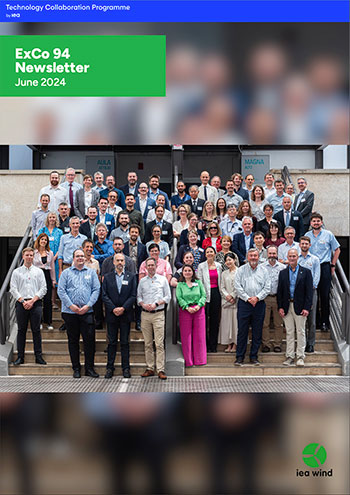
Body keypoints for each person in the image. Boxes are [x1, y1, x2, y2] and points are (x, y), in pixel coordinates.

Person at [57, 249, 100, 378]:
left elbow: (96, 289)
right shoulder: (66, 273)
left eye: (82, 256)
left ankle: (89, 369)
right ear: (73, 258)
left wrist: (88, 305)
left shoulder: (91, 273)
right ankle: (76, 368)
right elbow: (61, 291)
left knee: (89, 341)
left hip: (87, 312)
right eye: (78, 256)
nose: (80, 258)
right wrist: (71, 306)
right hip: (70, 312)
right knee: (73, 341)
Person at [10, 247, 47, 366]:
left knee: (36, 330)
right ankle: (21, 357)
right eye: (27, 255)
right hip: (21, 304)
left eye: (31, 255)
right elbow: (13, 288)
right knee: (21, 331)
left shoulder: (39, 272)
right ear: (23, 256)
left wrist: (32, 300)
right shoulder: (16, 272)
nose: (29, 257)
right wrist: (22, 301)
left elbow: (43, 288)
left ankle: (38, 356)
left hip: (35, 303)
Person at [102, 253, 137, 379]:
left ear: (125, 262)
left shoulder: (132, 277)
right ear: (114, 262)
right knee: (111, 343)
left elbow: (133, 295)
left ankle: (126, 368)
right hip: (112, 315)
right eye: (118, 260)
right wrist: (113, 308)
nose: (120, 262)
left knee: (124, 343)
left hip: (125, 314)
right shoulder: (107, 277)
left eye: (122, 260)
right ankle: (109, 368)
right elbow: (104, 295)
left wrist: (123, 308)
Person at [234, 248, 270, 365]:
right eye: (251, 256)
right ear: (247, 257)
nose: (253, 258)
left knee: (257, 331)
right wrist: (248, 298)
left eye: (255, 255)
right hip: (244, 303)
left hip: (259, 304)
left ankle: (254, 356)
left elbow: (267, 287)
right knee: (242, 331)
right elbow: (237, 286)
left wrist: (257, 298)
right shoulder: (241, 270)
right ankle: (240, 357)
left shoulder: (264, 271)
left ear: (258, 257)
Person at [277, 248, 313, 367]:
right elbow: (280, 291)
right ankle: (290, 356)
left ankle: (300, 356)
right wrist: (280, 307)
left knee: (301, 332)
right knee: (289, 332)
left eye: (294, 256)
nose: (292, 258)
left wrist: (307, 307)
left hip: (300, 307)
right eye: (290, 256)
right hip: (287, 306)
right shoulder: (282, 273)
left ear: (298, 257)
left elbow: (309, 292)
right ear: (287, 257)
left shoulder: (306, 272)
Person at [305, 212, 340, 332]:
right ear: (310, 223)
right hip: (311, 267)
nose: (316, 223)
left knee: (324, 296)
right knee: (313, 295)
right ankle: (316, 322)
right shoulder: (307, 235)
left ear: (321, 222)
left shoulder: (328, 234)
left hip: (324, 266)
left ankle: (325, 322)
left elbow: (337, 249)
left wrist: (333, 264)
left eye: (318, 221)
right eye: (313, 221)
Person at [137, 257, 171, 380]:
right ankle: (150, 368)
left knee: (159, 344)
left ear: (156, 266)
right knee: (148, 343)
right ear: (145, 267)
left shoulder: (163, 280)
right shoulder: (142, 281)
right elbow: (138, 297)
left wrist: (157, 304)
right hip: (145, 314)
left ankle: (160, 369)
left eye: (153, 265)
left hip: (158, 314)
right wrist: (143, 304)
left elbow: (168, 297)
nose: (151, 267)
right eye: (149, 265)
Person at [176, 264, 207, 367]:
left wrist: (199, 305)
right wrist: (186, 307)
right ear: (183, 273)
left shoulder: (198, 283)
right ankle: (188, 361)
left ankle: (200, 360)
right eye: (185, 271)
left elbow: (203, 295)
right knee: (186, 336)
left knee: (199, 335)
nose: (187, 272)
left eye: (189, 270)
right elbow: (179, 298)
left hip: (198, 310)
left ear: (193, 272)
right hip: (185, 311)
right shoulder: (180, 284)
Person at [261, 246, 286, 353]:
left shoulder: (282, 267)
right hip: (265, 298)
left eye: (274, 253)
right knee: (264, 323)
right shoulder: (261, 267)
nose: (272, 256)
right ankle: (266, 344)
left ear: (277, 254)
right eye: (270, 253)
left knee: (278, 323)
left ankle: (277, 344)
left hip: (277, 298)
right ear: (267, 254)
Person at [197, 246, 222, 353]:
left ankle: (213, 345)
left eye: (211, 251)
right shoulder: (201, 266)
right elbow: (199, 282)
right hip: (205, 295)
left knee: (215, 321)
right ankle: (205, 344)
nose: (210, 253)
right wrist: (202, 297)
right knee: (204, 321)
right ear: (205, 254)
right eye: (208, 252)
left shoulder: (219, 266)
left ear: (215, 253)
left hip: (216, 293)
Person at [298, 236, 321, 353]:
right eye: (302, 243)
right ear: (299, 245)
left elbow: (317, 276)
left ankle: (310, 343)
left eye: (306, 243)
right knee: (300, 319)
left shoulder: (315, 259)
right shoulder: (297, 259)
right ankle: (301, 342)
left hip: (311, 292)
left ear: (309, 245)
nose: (304, 245)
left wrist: (312, 286)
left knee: (311, 320)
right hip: (298, 293)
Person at [33, 233, 56, 331]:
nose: (43, 241)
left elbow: (52, 268)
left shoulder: (50, 253)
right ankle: (39, 322)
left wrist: (53, 280)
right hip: (37, 275)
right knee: (38, 299)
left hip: (46, 275)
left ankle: (48, 322)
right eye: (42, 239)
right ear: (38, 241)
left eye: (45, 240)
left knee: (47, 300)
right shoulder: (34, 253)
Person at [218, 253, 238, 353]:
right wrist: (228, 296)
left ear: (234, 260)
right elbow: (221, 287)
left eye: (230, 259)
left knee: (235, 323)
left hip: (236, 302)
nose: (228, 262)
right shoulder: (224, 273)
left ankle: (235, 344)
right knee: (226, 323)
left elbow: (239, 286)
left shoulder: (239, 271)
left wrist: (233, 296)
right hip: (226, 302)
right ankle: (228, 344)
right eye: (227, 260)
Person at [38, 211, 63, 285]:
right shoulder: (42, 230)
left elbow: (61, 246)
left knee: (55, 281)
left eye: (53, 217)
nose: (52, 219)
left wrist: (54, 257)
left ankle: (53, 297)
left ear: (56, 219)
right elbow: (38, 244)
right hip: (44, 258)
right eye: (50, 217)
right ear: (47, 219)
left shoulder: (59, 232)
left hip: (56, 258)